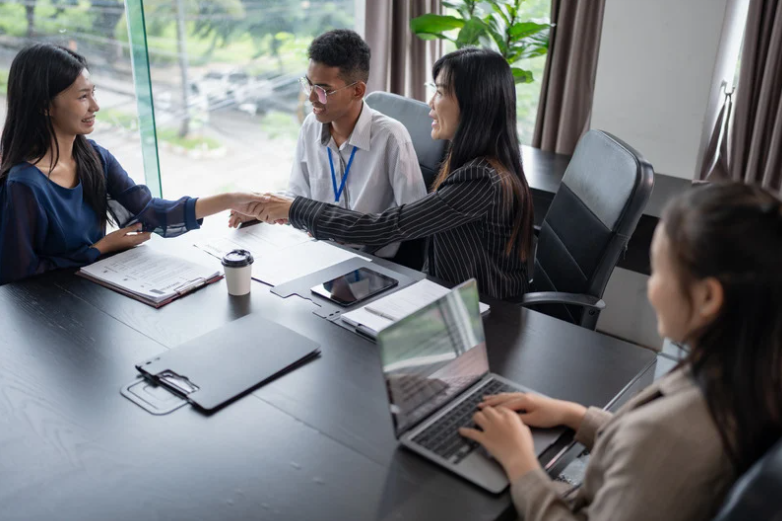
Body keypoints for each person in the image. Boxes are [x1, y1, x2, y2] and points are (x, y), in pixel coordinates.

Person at [459, 182, 782, 520]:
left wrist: (520, 464)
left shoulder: (672, 433)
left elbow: (657, 445)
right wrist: (575, 415)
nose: (650, 290)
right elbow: (653, 460)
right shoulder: (745, 374)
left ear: (707, 299)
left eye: (659, 272)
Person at [236, 48, 535, 300]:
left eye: (440, 93)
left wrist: (293, 210)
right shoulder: (473, 162)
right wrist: (278, 208)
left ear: (475, 104)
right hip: (447, 292)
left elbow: (382, 227)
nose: (430, 104)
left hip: (485, 318)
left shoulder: (482, 181)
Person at [0, 44, 263, 285]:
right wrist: (99, 248)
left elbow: (152, 213)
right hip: (52, 313)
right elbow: (19, 274)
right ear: (46, 106)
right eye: (82, 97)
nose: (96, 106)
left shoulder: (94, 157)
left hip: (95, 294)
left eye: (93, 93)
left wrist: (231, 199)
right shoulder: (24, 184)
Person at [231, 29, 427, 258]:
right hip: (319, 252)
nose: (312, 98)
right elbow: (297, 195)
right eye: (309, 85)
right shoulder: (311, 126)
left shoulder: (391, 137)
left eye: (323, 90)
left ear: (357, 90)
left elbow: (415, 221)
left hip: (370, 263)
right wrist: (261, 208)